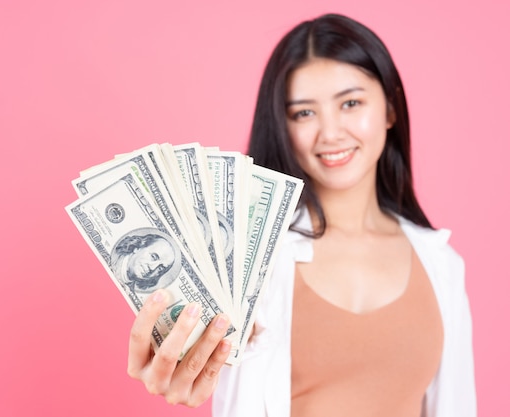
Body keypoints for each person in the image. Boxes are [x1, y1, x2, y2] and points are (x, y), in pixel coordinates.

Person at [126, 13, 476, 416]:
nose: (330, 133)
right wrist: (178, 363)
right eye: (304, 113)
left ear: (390, 109)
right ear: (282, 125)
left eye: (351, 103)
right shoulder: (246, 263)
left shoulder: (442, 264)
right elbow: (188, 366)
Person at [111, 231, 176, 293]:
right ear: (138, 247)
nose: (152, 268)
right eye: (153, 257)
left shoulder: (129, 294)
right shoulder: (110, 256)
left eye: (160, 268)